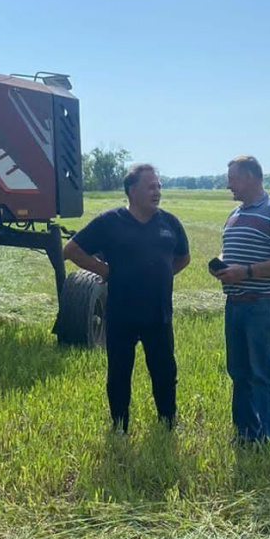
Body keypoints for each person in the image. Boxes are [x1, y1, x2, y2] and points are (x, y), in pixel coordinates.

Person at [63, 164, 190, 432]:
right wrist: (104, 270)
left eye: (159, 186)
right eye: (151, 186)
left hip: (159, 313)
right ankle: (119, 426)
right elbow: (71, 249)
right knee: (119, 374)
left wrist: (162, 275)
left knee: (165, 372)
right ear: (132, 191)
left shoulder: (170, 223)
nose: (157, 191)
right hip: (121, 313)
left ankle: (168, 423)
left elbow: (183, 258)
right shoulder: (110, 222)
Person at [210, 155, 270, 445]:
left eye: (232, 178)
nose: (228, 185)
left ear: (250, 177)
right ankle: (245, 433)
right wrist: (222, 265)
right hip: (234, 305)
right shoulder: (235, 214)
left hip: (261, 303)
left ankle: (268, 438)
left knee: (263, 373)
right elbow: (230, 251)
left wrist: (246, 272)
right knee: (239, 372)